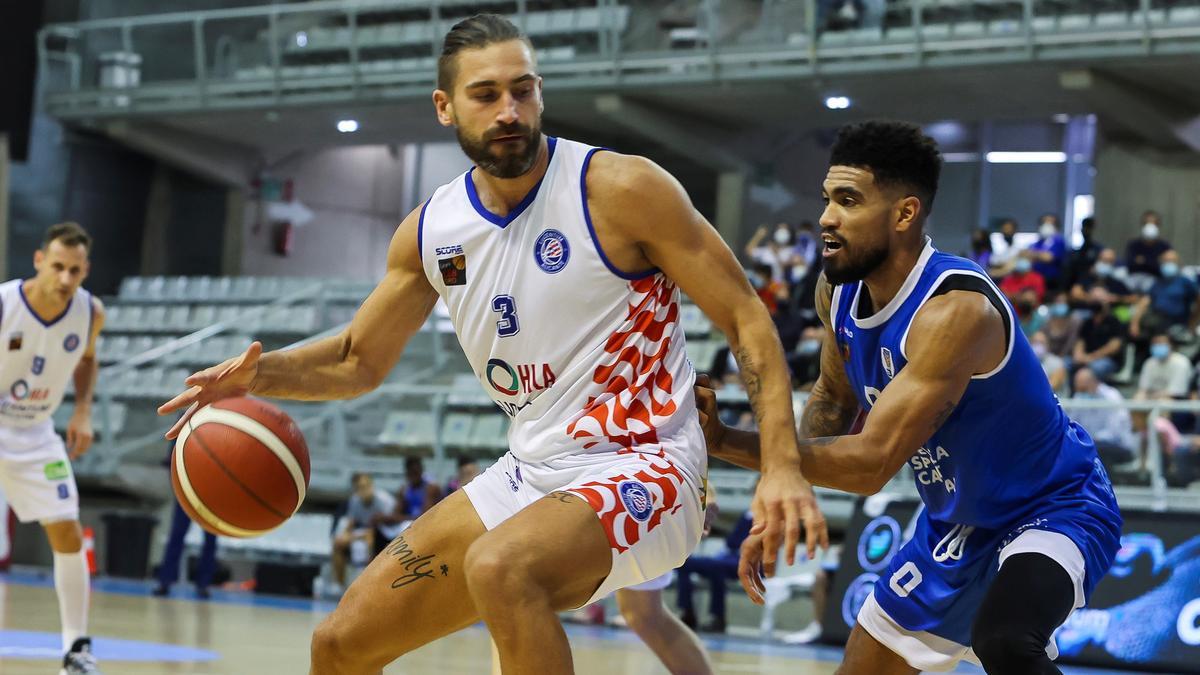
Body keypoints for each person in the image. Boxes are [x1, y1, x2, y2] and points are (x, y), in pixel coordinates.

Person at [158, 14, 825, 674]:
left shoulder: (620, 189)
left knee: (503, 567)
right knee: (339, 644)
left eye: (523, 90)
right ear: (445, 107)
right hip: (532, 470)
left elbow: (747, 319)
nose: (509, 110)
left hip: (649, 464)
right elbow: (357, 359)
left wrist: (782, 466)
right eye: (486, 95)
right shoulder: (433, 230)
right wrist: (256, 375)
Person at [696, 121, 1122, 674]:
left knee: (1007, 641)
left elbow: (871, 463)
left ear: (904, 214)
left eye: (848, 201)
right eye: (827, 199)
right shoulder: (838, 291)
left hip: (1052, 504)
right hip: (954, 523)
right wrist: (784, 491)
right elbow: (831, 397)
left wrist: (724, 440)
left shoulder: (955, 312)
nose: (826, 217)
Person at [0, 222, 106, 674]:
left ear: (86, 270)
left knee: (66, 531)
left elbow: (85, 359)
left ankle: (75, 650)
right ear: (39, 260)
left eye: (75, 271)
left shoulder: (90, 312)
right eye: (58, 267)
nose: (65, 279)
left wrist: (82, 410)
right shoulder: (4, 303)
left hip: (36, 432)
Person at [330, 473, 397, 592]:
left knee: (370, 538)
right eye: (360, 487)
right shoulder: (355, 500)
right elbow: (350, 524)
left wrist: (358, 535)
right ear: (356, 490)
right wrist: (345, 535)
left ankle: (370, 585)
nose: (364, 490)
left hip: (384, 534)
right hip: (363, 533)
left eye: (366, 486)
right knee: (338, 543)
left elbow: (387, 527)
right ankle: (340, 586)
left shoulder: (384, 500)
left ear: (372, 485)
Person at [1071, 368, 1136, 467]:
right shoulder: (1079, 396)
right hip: (1091, 444)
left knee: (1094, 450)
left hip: (1119, 445)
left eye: (1083, 389)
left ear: (1094, 383)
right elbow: (1073, 423)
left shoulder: (1111, 397)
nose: (1080, 392)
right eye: (1078, 389)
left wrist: (1089, 440)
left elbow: (1115, 432)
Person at [1130, 249, 1200, 342]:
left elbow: (1198, 300)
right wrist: (1134, 323)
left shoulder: (1185, 282)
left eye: (1172, 261)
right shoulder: (1157, 283)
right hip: (1156, 325)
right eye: (1166, 261)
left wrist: (1192, 323)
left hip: (1177, 326)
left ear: (1178, 263)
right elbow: (1145, 301)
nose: (1169, 264)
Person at [1073, 300, 1127, 381]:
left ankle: (1094, 392)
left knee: (1097, 367)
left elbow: (1114, 346)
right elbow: (1080, 342)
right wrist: (1079, 355)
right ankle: (1074, 392)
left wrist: (1093, 356)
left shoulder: (1114, 322)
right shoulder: (1088, 323)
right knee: (1068, 364)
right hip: (1087, 357)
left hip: (1108, 359)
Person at [1026, 214, 1066, 291]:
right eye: (1044, 223)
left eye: (1049, 223)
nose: (1046, 226)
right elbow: (1028, 256)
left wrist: (1034, 255)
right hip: (1036, 279)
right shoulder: (1037, 243)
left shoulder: (1059, 241)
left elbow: (1048, 258)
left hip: (1052, 281)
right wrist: (1038, 255)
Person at [1030, 331, 1068, 399]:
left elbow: (1052, 386)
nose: (1038, 346)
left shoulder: (1057, 362)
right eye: (1035, 342)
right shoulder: (1025, 362)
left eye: (1041, 343)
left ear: (1048, 345)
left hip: (1056, 402)